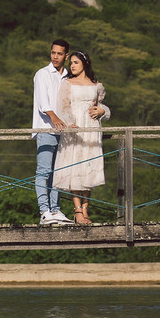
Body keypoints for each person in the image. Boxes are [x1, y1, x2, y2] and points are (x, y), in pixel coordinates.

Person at [52, 50, 110, 224]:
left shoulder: (96, 85)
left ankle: (85, 209)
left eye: (76, 62)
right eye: (71, 63)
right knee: (74, 166)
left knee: (88, 166)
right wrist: (70, 123)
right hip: (74, 128)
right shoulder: (67, 83)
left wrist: (102, 111)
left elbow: (101, 107)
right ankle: (77, 209)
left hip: (91, 128)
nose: (72, 66)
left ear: (84, 63)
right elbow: (63, 107)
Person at [33, 39, 74, 226]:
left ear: (66, 55)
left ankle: (56, 210)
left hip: (64, 132)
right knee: (44, 171)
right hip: (46, 129)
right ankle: (44, 211)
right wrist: (55, 119)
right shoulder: (43, 74)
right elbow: (44, 104)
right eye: (53, 53)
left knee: (60, 172)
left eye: (59, 54)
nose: (55, 57)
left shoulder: (68, 76)